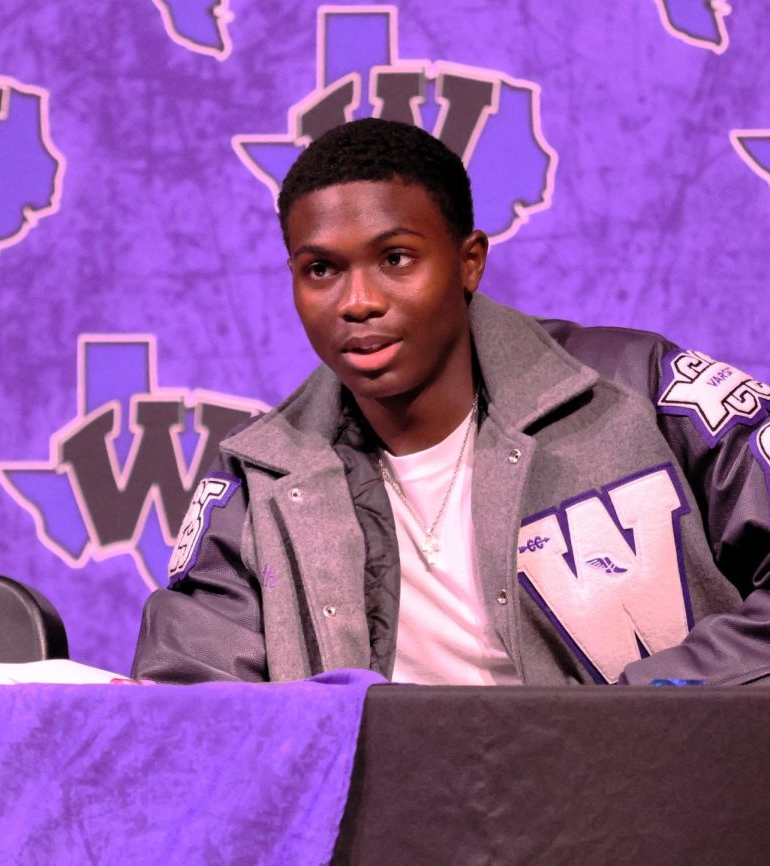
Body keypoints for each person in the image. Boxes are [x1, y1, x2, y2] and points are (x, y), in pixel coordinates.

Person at [131, 117, 770, 686]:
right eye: (321, 270)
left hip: (659, 803)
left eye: (396, 258)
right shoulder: (258, 479)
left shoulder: (639, 388)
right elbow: (191, 703)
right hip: (400, 818)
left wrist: (647, 715)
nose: (358, 302)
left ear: (469, 262)